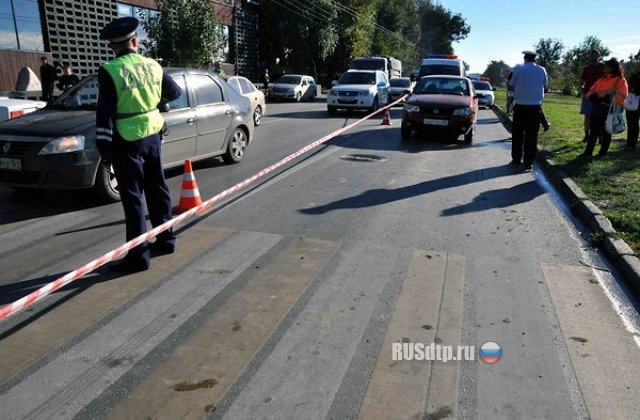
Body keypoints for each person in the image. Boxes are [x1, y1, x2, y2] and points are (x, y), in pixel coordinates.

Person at [96, 16, 181, 272]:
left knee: (133, 199)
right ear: (136, 41)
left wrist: (105, 150)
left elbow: (105, 114)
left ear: (113, 46)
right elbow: (175, 92)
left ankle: (138, 257)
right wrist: (155, 104)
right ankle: (166, 240)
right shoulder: (153, 65)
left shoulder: (110, 70)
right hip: (153, 135)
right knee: (158, 188)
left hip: (126, 140)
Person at [509, 50, 548, 172]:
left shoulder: (518, 69)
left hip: (520, 106)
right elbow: (545, 85)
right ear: (535, 59)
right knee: (532, 136)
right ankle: (528, 163)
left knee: (517, 135)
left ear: (525, 58)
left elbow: (512, 83)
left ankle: (516, 159)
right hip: (535, 107)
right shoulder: (542, 70)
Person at [581, 57, 628, 158]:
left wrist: (607, 98)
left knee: (606, 132)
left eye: (606, 66)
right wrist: (592, 96)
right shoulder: (603, 78)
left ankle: (603, 152)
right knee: (593, 131)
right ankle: (588, 152)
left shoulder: (620, 80)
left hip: (609, 109)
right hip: (597, 107)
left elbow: (622, 96)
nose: (604, 68)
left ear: (611, 68)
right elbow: (591, 91)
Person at [580, 49, 605, 142]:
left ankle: (600, 136)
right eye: (592, 55)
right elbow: (581, 82)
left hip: (600, 96)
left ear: (599, 56)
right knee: (587, 116)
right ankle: (587, 135)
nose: (594, 56)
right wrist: (582, 93)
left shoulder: (603, 67)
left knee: (600, 117)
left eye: (596, 55)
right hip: (588, 96)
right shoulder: (587, 68)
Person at [625, 68, 640, 151]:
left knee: (632, 124)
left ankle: (631, 144)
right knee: (632, 124)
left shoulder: (635, 76)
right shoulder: (634, 76)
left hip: (634, 101)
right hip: (633, 101)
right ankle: (630, 143)